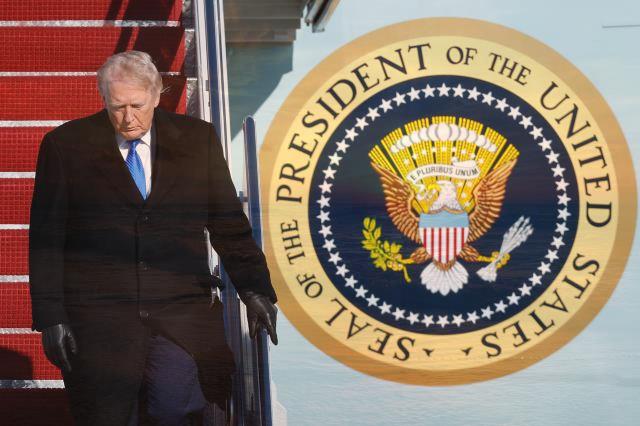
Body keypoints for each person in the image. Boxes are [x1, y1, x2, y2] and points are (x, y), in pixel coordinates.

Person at [28, 50, 278, 425]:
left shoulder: (197, 140)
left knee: (174, 410)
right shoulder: (65, 146)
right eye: (117, 107)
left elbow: (227, 222)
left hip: (179, 313)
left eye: (137, 105)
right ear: (103, 98)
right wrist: (51, 317)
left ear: (157, 95)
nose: (128, 118)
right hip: (98, 319)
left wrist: (254, 288)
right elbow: (46, 240)